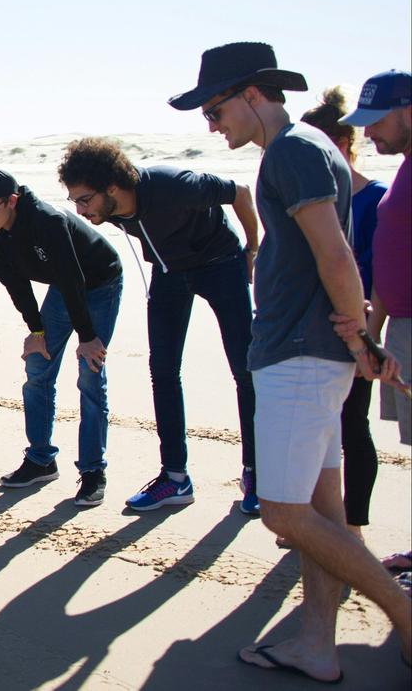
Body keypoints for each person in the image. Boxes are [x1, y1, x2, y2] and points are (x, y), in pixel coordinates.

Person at [168, 42, 409, 679]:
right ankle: (315, 643)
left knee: (282, 512)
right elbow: (332, 254)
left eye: (214, 110)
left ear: (253, 94)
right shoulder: (307, 147)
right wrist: (356, 334)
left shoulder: (294, 151)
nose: (210, 125)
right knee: (323, 511)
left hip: (299, 353)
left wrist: (358, 334)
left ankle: (403, 613)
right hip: (309, 351)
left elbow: (334, 252)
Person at [57, 137, 260, 515]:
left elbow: (242, 193)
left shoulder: (175, 185)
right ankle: (175, 477)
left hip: (220, 266)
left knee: (245, 370)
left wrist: (252, 248)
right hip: (169, 274)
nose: (81, 210)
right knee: (163, 372)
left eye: (84, 199)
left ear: (112, 188)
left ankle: (257, 474)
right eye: (75, 202)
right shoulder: (109, 209)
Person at [0, 166, 123, 507]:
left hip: (97, 283)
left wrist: (86, 337)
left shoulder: (47, 221)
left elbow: (73, 279)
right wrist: (36, 331)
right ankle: (41, 459)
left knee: (90, 374)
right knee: (37, 367)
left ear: (12, 200)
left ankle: (93, 470)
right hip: (62, 287)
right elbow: (14, 281)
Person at [301, 87, 387, 539]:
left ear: (343, 144)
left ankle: (352, 528)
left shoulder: (376, 199)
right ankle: (315, 518)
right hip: (314, 333)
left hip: (358, 332)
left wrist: (367, 343)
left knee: (353, 426)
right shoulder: (312, 204)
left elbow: (378, 278)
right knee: (315, 431)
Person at [341, 70, 412, 447]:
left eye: (376, 120)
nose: (367, 134)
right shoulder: (404, 169)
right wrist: (373, 331)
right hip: (401, 329)